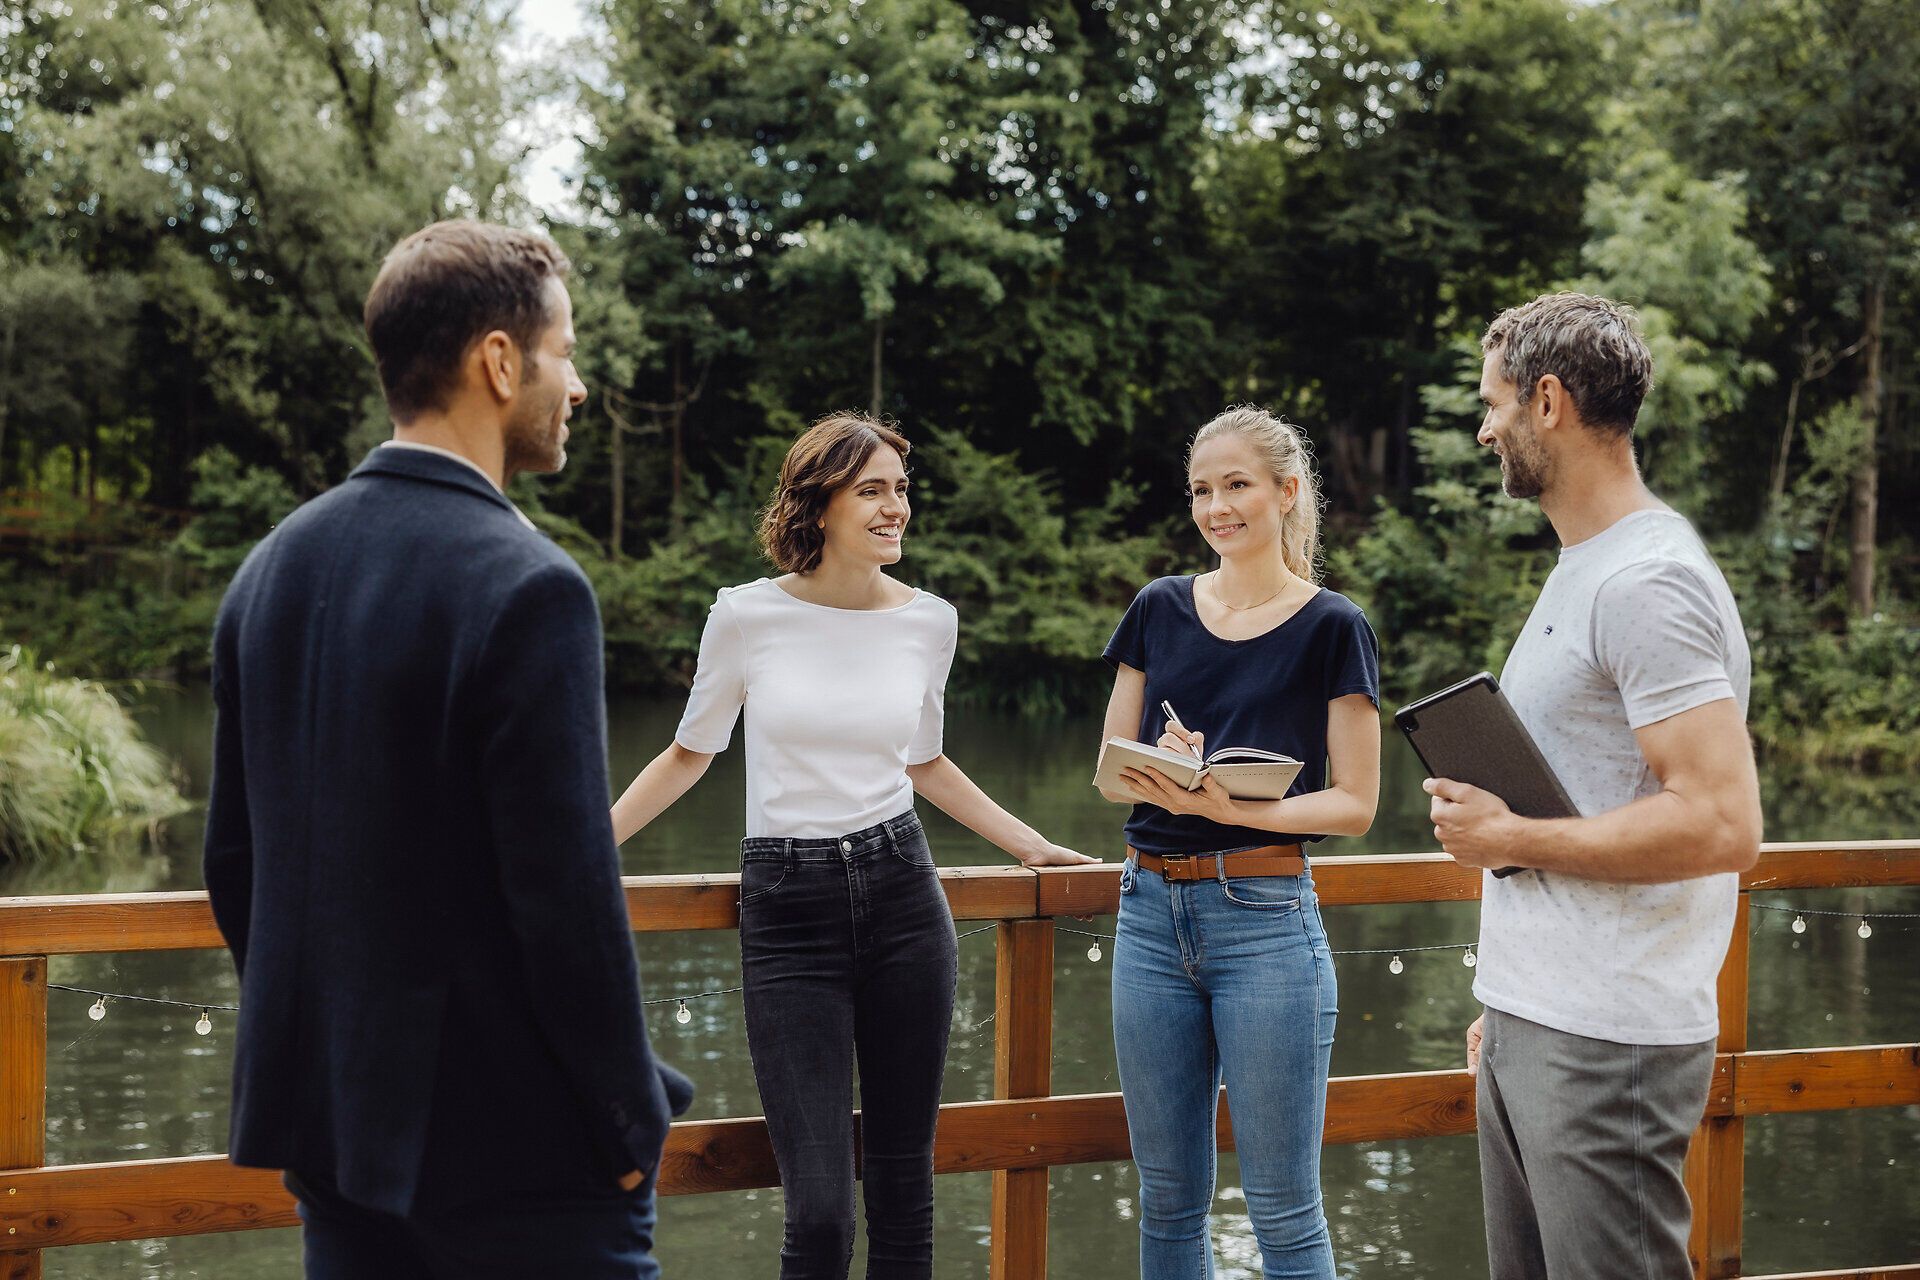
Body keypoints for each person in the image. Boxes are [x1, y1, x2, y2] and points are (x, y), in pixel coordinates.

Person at [204, 220, 693, 1279]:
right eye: (565, 353)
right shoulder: (530, 586)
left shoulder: (268, 571)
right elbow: (566, 900)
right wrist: (629, 1124)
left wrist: (333, 1057)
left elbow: (236, 867)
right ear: (500, 361)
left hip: (336, 1139)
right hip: (522, 1160)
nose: (577, 386)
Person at [609, 411, 1093, 1280]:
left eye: (901, 489)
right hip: (788, 909)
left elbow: (925, 761)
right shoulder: (745, 616)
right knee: (822, 1212)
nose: (895, 507)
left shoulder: (930, 621)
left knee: (905, 1196)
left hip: (903, 890)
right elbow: (688, 755)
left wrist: (1032, 845)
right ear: (820, 504)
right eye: (872, 490)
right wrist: (586, 852)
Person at [1426, 292, 1763, 1280]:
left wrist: (1510, 838)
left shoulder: (1648, 581)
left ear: (1548, 400)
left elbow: (1722, 821)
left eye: (1492, 404)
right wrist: (1510, 1002)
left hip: (1609, 1041)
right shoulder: (1587, 565)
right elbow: (1592, 781)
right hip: (1538, 1019)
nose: (1484, 429)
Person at [1098, 406, 1381, 1280]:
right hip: (1148, 916)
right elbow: (1112, 771)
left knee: (1284, 1210)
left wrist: (1235, 808)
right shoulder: (1158, 607)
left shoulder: (1334, 624)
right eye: (1201, 490)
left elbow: (1355, 804)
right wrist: (1167, 763)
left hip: (1265, 921)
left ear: (1287, 492)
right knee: (1166, 1201)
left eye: (1236, 486)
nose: (1216, 507)